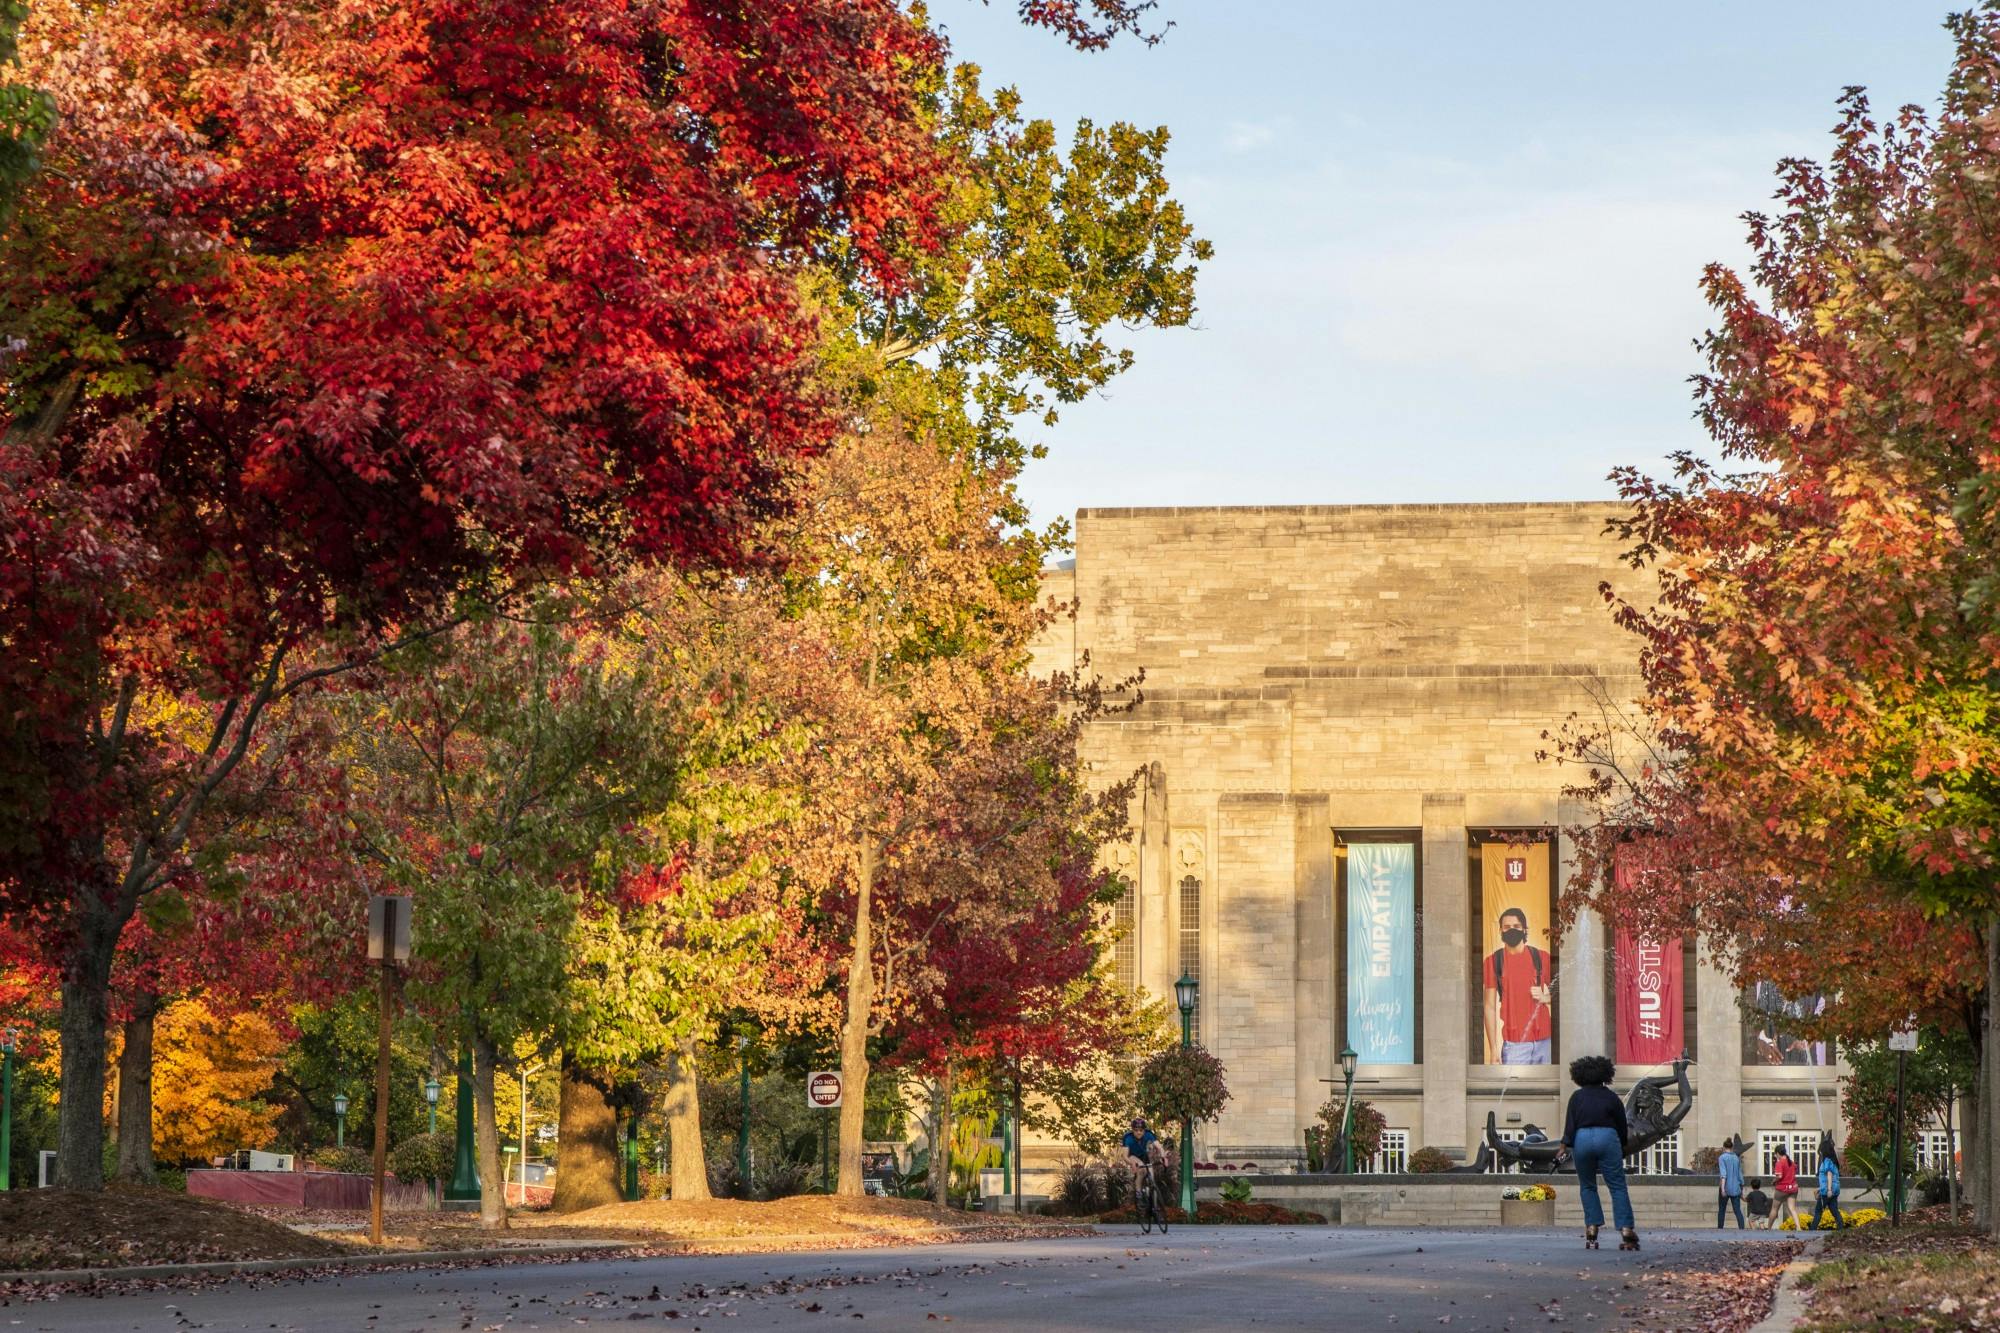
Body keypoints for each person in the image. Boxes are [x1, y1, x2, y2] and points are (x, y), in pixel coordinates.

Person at [1558, 1053, 1638, 1251]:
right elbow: (1622, 1124)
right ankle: (1626, 1228)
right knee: (1617, 1186)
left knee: (1587, 1185)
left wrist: (1563, 1146)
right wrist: (1622, 1146)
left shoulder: (1576, 1097)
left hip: (1582, 1138)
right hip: (1608, 1137)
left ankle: (1592, 1226)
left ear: (1579, 1075)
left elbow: (1570, 1125)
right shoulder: (1611, 1097)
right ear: (1606, 1074)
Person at [1483, 907, 1553, 1064]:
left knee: (1546, 1088)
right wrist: (1494, 1048)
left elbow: (1565, 994)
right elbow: (1489, 1007)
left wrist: (1545, 997)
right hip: (1515, 1045)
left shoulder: (1541, 957)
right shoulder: (1493, 962)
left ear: (1524, 929)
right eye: (1507, 927)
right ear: (1500, 930)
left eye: (1516, 926)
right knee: (1515, 1088)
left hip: (1545, 1042)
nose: (1511, 930)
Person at [1121, 1116, 1162, 1198]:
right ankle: (1138, 1192)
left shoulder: (1149, 1134)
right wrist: (1131, 1163)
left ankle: (1154, 1203)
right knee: (1141, 1169)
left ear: (1144, 1130)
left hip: (1144, 1155)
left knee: (1151, 1175)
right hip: (1133, 1156)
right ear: (1132, 1130)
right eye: (1136, 1130)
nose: (1139, 1132)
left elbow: (1159, 1147)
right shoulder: (1128, 1138)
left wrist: (1163, 1156)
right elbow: (1125, 1156)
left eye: (1141, 1130)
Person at [1812, 1146, 1846, 1230]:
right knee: (1834, 1210)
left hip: (1827, 1191)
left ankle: (1812, 1230)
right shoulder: (1833, 1162)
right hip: (1834, 1190)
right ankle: (1841, 1228)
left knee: (1818, 1211)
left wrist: (1829, 1190)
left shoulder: (1827, 1161)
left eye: (1820, 1151)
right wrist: (1819, 1189)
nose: (1820, 1153)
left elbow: (1829, 1175)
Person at [1772, 1147, 1803, 1230]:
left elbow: (1780, 1176)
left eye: (1775, 1154)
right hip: (1793, 1188)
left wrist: (1774, 1181)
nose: (1775, 1156)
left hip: (1782, 1188)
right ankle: (1798, 1227)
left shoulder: (1779, 1163)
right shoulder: (1791, 1162)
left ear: (1778, 1153)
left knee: (1774, 1209)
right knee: (1792, 1208)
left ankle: (1768, 1227)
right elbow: (1794, 1170)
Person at [1717, 1140, 1745, 1229]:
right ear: (1732, 1147)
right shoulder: (1736, 1158)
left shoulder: (1722, 1158)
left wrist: (1722, 1189)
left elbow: (1723, 1174)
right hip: (1736, 1187)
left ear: (1724, 1147)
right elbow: (1740, 1174)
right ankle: (1742, 1228)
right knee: (1737, 1210)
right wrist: (1742, 1188)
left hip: (1725, 1186)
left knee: (1722, 1209)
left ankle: (1720, 1228)